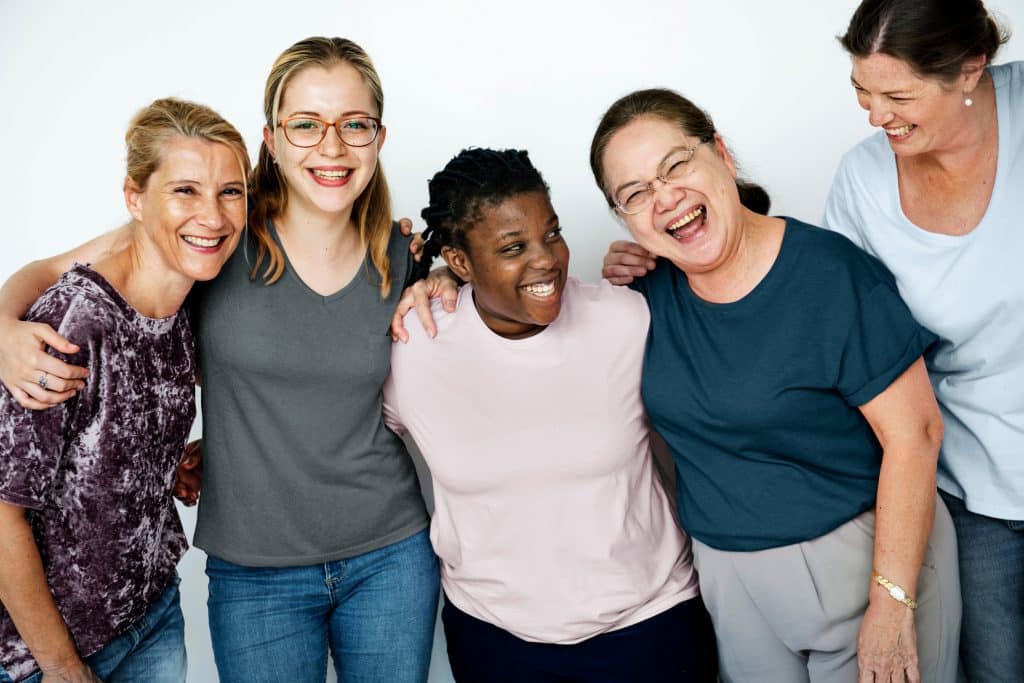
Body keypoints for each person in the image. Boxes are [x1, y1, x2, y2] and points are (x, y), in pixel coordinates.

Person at [0, 38, 438, 683]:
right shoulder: (214, 232)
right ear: (272, 137)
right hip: (254, 570)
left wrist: (445, 277)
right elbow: (50, 271)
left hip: (390, 554)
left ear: (379, 135)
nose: (333, 146)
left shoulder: (403, 256)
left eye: (355, 124)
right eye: (306, 124)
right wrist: (2, 326)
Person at [586, 88, 960, 682]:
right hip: (730, 583)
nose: (664, 199)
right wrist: (441, 276)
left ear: (721, 155)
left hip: (864, 564)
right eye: (635, 193)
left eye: (675, 166)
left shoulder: (832, 276)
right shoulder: (644, 295)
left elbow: (916, 435)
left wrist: (891, 605)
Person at [383, 147, 716, 682]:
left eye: (552, 234)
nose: (547, 260)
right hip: (496, 641)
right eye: (513, 247)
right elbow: (340, 428)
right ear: (461, 262)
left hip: (651, 626)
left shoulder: (626, 319)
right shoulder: (416, 347)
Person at [0, 98, 249, 683]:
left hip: (152, 617)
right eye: (185, 190)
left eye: (230, 192)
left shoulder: (191, 298)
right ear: (135, 197)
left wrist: (171, 466)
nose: (211, 216)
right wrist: (61, 668)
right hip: (52, 655)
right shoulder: (72, 325)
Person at [823, 1, 1021, 679]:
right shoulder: (863, 181)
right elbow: (828, 310)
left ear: (970, 70)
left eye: (898, 95)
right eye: (862, 92)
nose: (876, 115)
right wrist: (675, 249)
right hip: (976, 491)